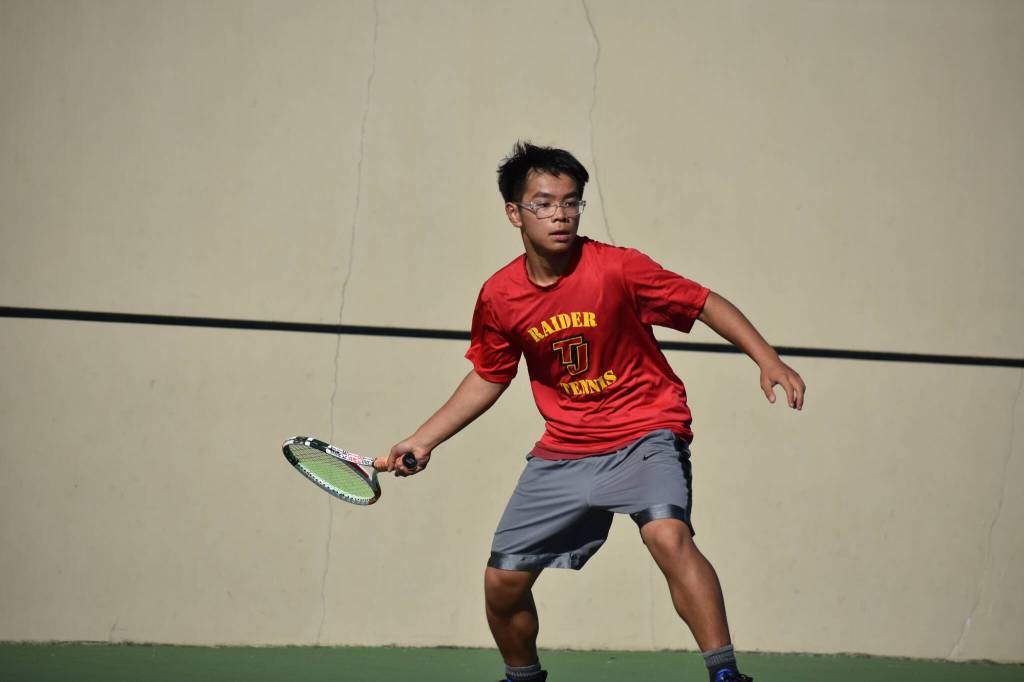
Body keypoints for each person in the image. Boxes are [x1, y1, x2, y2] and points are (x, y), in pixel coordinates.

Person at [386, 142, 805, 682]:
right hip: (564, 449)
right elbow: (491, 374)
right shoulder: (499, 296)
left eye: (571, 202)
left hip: (646, 430)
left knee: (666, 535)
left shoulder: (618, 268)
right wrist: (423, 439)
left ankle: (725, 674)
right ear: (514, 213)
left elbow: (704, 303)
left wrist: (766, 359)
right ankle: (523, 678)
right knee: (502, 582)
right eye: (542, 204)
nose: (560, 215)